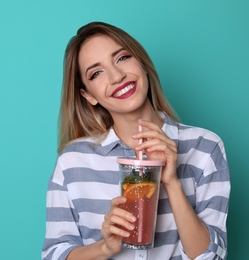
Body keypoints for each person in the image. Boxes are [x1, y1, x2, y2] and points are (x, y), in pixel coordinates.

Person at [42, 21, 230, 260]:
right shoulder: (72, 163)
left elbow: (212, 257)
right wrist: (104, 248)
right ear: (88, 95)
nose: (117, 76)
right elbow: (55, 255)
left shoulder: (205, 147)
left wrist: (172, 182)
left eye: (122, 58)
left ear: (142, 63)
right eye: (96, 73)